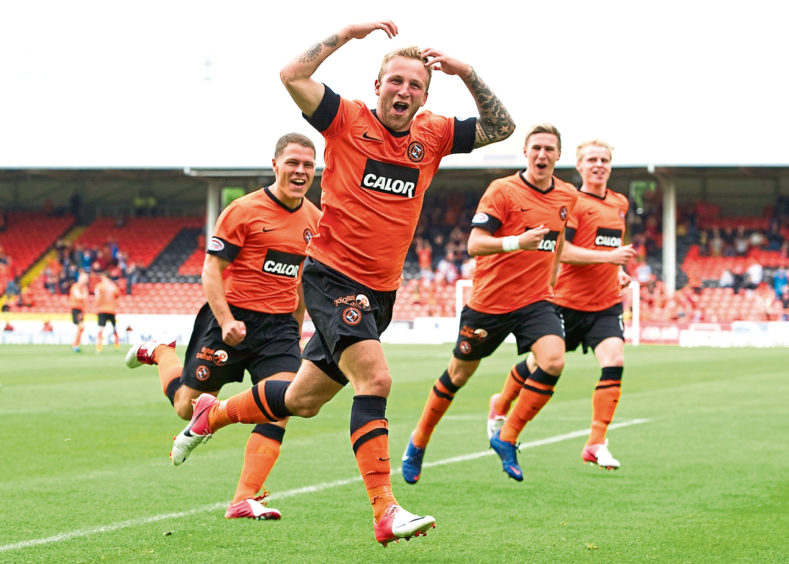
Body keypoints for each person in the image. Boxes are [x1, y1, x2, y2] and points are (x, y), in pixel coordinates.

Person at [168, 20, 515, 545]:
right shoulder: (346, 119)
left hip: (382, 292)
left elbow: (502, 127)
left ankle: (209, 416)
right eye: (395, 81)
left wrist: (466, 71)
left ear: (424, 96)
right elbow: (291, 74)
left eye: (415, 85)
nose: (404, 91)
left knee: (303, 400)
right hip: (333, 277)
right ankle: (385, 511)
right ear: (377, 86)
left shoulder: (435, 135)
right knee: (374, 380)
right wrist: (349, 34)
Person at [125, 133, 321, 521]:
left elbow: (300, 281)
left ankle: (244, 498)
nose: (300, 171)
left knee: (283, 402)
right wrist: (227, 320)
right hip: (228, 321)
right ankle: (161, 351)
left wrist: (296, 333)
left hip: (279, 329)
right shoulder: (243, 210)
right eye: (293, 163)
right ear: (275, 165)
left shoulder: (315, 221)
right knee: (185, 407)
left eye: (308, 165)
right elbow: (211, 269)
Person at [400, 124, 577, 484]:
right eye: (536, 148)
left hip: (535, 300)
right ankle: (418, 442)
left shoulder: (567, 196)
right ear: (526, 152)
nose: (542, 155)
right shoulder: (502, 191)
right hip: (490, 302)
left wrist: (553, 282)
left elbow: (557, 245)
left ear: (558, 155)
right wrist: (517, 242)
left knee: (554, 359)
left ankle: (507, 436)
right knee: (458, 375)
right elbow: (475, 244)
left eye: (549, 149)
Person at [488, 139, 636, 471]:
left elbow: (608, 248)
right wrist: (609, 257)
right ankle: (501, 403)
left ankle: (596, 443)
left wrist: (618, 270)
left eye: (604, 160)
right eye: (592, 159)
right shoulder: (573, 202)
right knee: (541, 364)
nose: (599, 165)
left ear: (610, 165)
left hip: (605, 303)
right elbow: (562, 250)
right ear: (580, 165)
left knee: (614, 360)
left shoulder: (619, 203)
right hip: (566, 301)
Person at [95, 271, 121, 353]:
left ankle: (99, 347)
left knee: (101, 329)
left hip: (102, 310)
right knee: (114, 328)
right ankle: (117, 346)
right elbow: (117, 297)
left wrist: (96, 306)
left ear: (104, 277)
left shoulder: (99, 286)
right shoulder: (114, 286)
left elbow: (97, 297)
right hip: (111, 310)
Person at [69, 272, 89, 352]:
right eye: (85, 279)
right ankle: (75, 344)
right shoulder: (75, 287)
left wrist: (83, 296)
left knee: (81, 327)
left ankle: (76, 344)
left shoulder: (84, 288)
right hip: (75, 309)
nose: (86, 280)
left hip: (80, 310)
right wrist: (82, 296)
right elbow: (79, 297)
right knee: (80, 327)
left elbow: (85, 297)